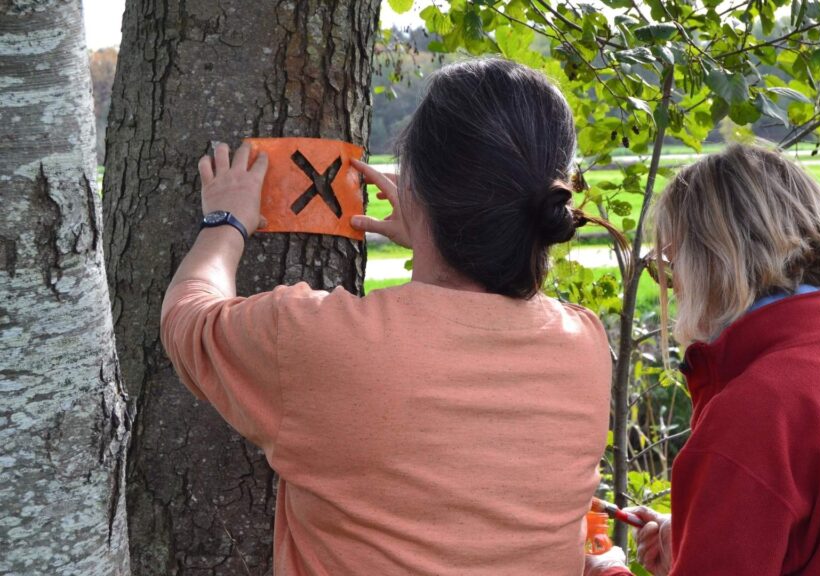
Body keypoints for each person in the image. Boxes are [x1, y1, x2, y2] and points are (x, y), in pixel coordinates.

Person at [161, 59, 616, 575]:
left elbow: (187, 317)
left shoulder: (322, 342)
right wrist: (435, 235)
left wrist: (226, 220)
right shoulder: (585, 347)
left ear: (416, 187)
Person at [586, 144, 820, 575]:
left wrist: (605, 570)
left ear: (712, 262)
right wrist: (697, 541)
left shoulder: (755, 416)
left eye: (671, 262)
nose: (673, 286)